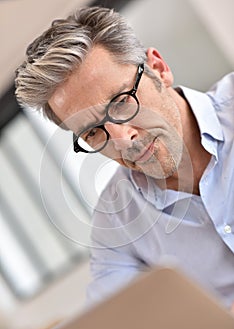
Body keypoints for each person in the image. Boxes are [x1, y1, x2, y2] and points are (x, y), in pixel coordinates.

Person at [15, 6, 234, 309]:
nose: (121, 139)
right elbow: (111, 326)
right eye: (92, 131)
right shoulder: (116, 220)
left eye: (120, 102)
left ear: (158, 67)